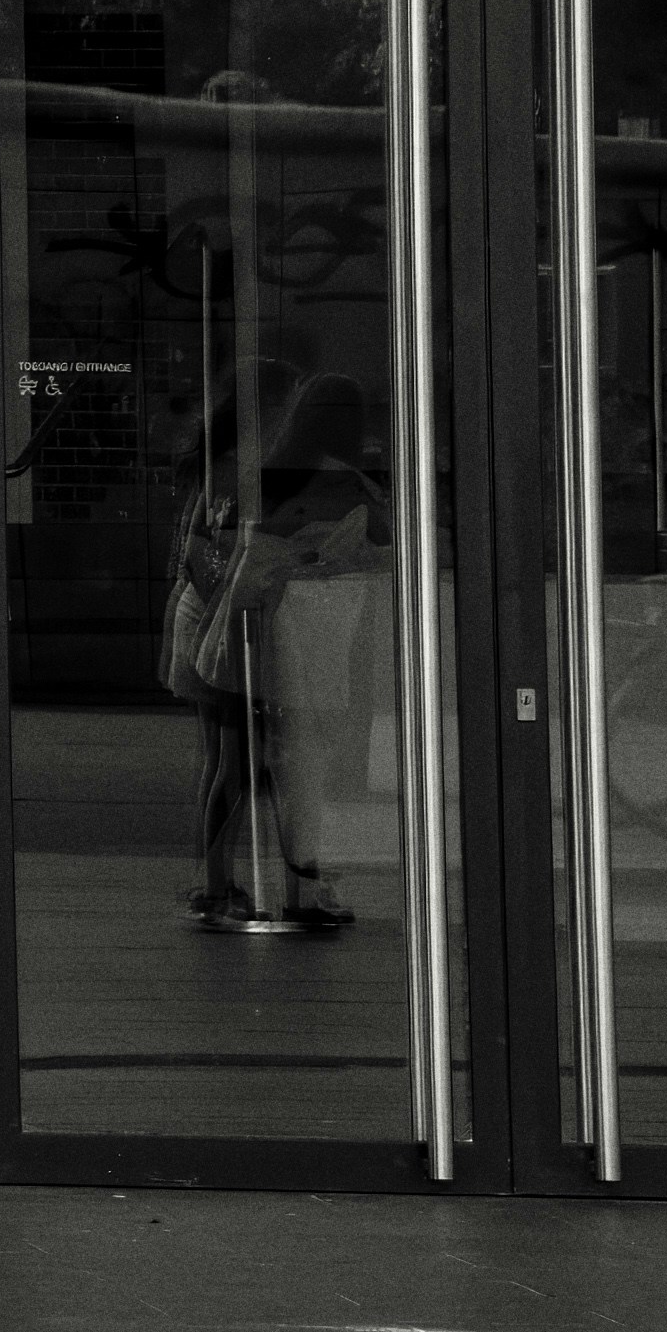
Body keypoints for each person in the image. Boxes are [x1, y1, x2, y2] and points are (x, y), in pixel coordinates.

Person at [162, 355, 380, 936]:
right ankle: (261, 886)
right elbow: (210, 549)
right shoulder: (293, 472)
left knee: (229, 762)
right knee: (261, 763)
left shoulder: (256, 466)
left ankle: (221, 884)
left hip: (225, 620)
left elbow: (202, 545)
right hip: (249, 626)